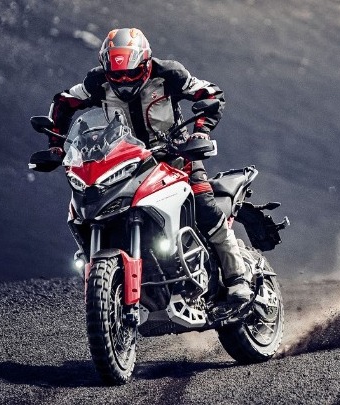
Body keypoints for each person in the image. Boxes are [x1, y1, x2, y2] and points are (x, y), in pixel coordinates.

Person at [45, 27, 253, 307]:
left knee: (204, 207)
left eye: (131, 73)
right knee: (97, 209)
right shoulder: (97, 83)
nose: (124, 81)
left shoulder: (169, 74)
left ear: (145, 63)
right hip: (125, 162)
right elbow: (63, 102)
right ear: (106, 69)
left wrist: (201, 131)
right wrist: (56, 146)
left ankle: (238, 279)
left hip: (175, 156)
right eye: (117, 75)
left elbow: (211, 93)